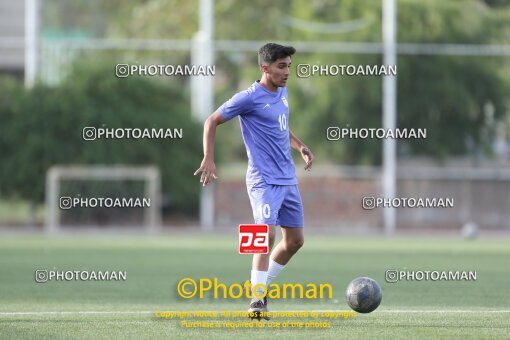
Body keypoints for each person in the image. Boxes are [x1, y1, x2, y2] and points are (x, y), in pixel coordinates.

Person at [194, 43, 314, 320]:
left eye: (289, 66)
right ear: (265, 68)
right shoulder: (248, 97)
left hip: (287, 179)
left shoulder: (282, 92)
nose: (287, 72)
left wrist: (299, 146)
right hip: (263, 180)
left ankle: (261, 287)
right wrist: (209, 158)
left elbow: (281, 127)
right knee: (264, 235)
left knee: (295, 241)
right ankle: (257, 299)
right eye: (281, 66)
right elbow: (211, 121)